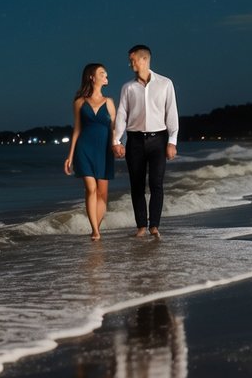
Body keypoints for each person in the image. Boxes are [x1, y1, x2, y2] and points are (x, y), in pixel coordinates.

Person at [113, 45, 178, 238]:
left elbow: (171, 113)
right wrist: (116, 140)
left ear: (144, 59)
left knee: (156, 183)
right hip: (134, 141)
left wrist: (172, 141)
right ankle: (141, 226)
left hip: (159, 139)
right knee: (137, 185)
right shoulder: (128, 87)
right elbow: (121, 115)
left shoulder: (165, 83)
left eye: (132, 59)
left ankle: (154, 226)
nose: (130, 63)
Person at [64, 64, 116, 240]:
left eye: (106, 74)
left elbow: (115, 128)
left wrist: (117, 145)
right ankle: (95, 231)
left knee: (102, 195)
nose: (105, 76)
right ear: (92, 77)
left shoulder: (109, 102)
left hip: (104, 151)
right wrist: (70, 156)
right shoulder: (79, 102)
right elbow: (77, 129)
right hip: (84, 149)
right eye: (102, 73)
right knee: (91, 189)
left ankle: (96, 229)